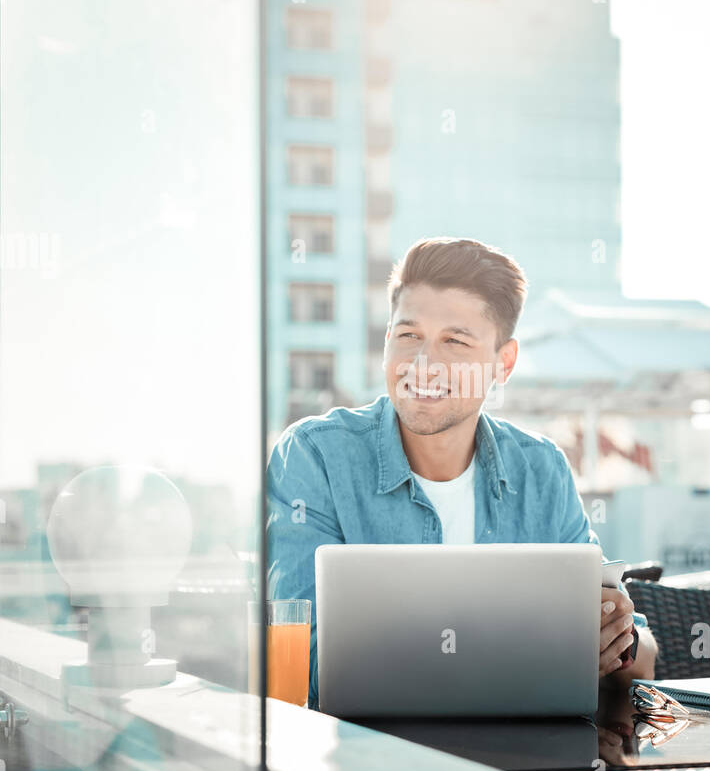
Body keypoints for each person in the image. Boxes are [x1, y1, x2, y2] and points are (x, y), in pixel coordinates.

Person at [267, 237, 656, 708]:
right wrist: (524, 659)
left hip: (527, 762)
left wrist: (618, 640)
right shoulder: (315, 457)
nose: (423, 365)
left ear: (503, 363)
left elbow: (636, 653)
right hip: (371, 761)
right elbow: (305, 668)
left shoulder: (541, 470)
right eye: (408, 335)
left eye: (455, 341)